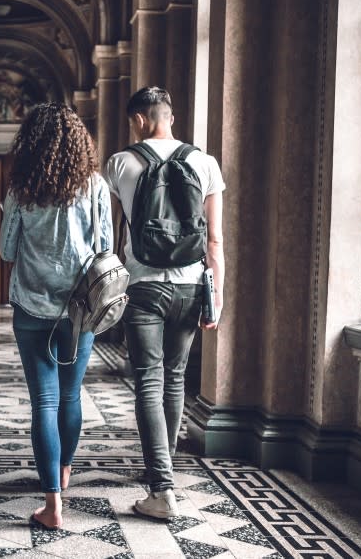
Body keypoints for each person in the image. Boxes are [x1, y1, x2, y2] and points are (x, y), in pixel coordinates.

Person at [103, 87, 226, 519]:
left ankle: (162, 486)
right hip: (192, 284)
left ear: (138, 119)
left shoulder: (121, 163)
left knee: (149, 383)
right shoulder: (204, 162)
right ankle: (164, 471)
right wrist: (218, 295)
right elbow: (214, 239)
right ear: (170, 117)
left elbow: (117, 229)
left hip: (144, 286)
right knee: (174, 379)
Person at [0, 103, 112, 530]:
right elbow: (105, 247)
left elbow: (7, 251)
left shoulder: (20, 188)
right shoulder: (95, 186)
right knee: (70, 396)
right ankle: (63, 471)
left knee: (43, 402)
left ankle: (53, 503)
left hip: (31, 307)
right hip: (81, 309)